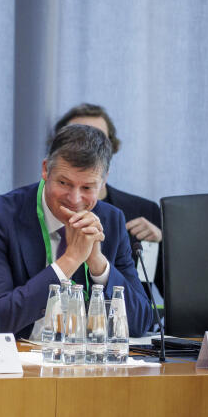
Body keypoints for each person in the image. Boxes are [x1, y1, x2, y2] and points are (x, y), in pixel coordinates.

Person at [0, 124, 153, 338]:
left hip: (80, 361)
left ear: (103, 181)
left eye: (87, 188)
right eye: (64, 183)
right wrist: (71, 259)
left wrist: (98, 264)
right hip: (6, 359)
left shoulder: (111, 220)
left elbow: (140, 323)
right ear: (46, 169)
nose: (75, 199)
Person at [52, 103, 162, 292]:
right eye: (75, 138)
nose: (86, 147)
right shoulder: (43, 205)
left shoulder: (143, 210)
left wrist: (161, 245)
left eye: (97, 138)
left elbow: (170, 293)